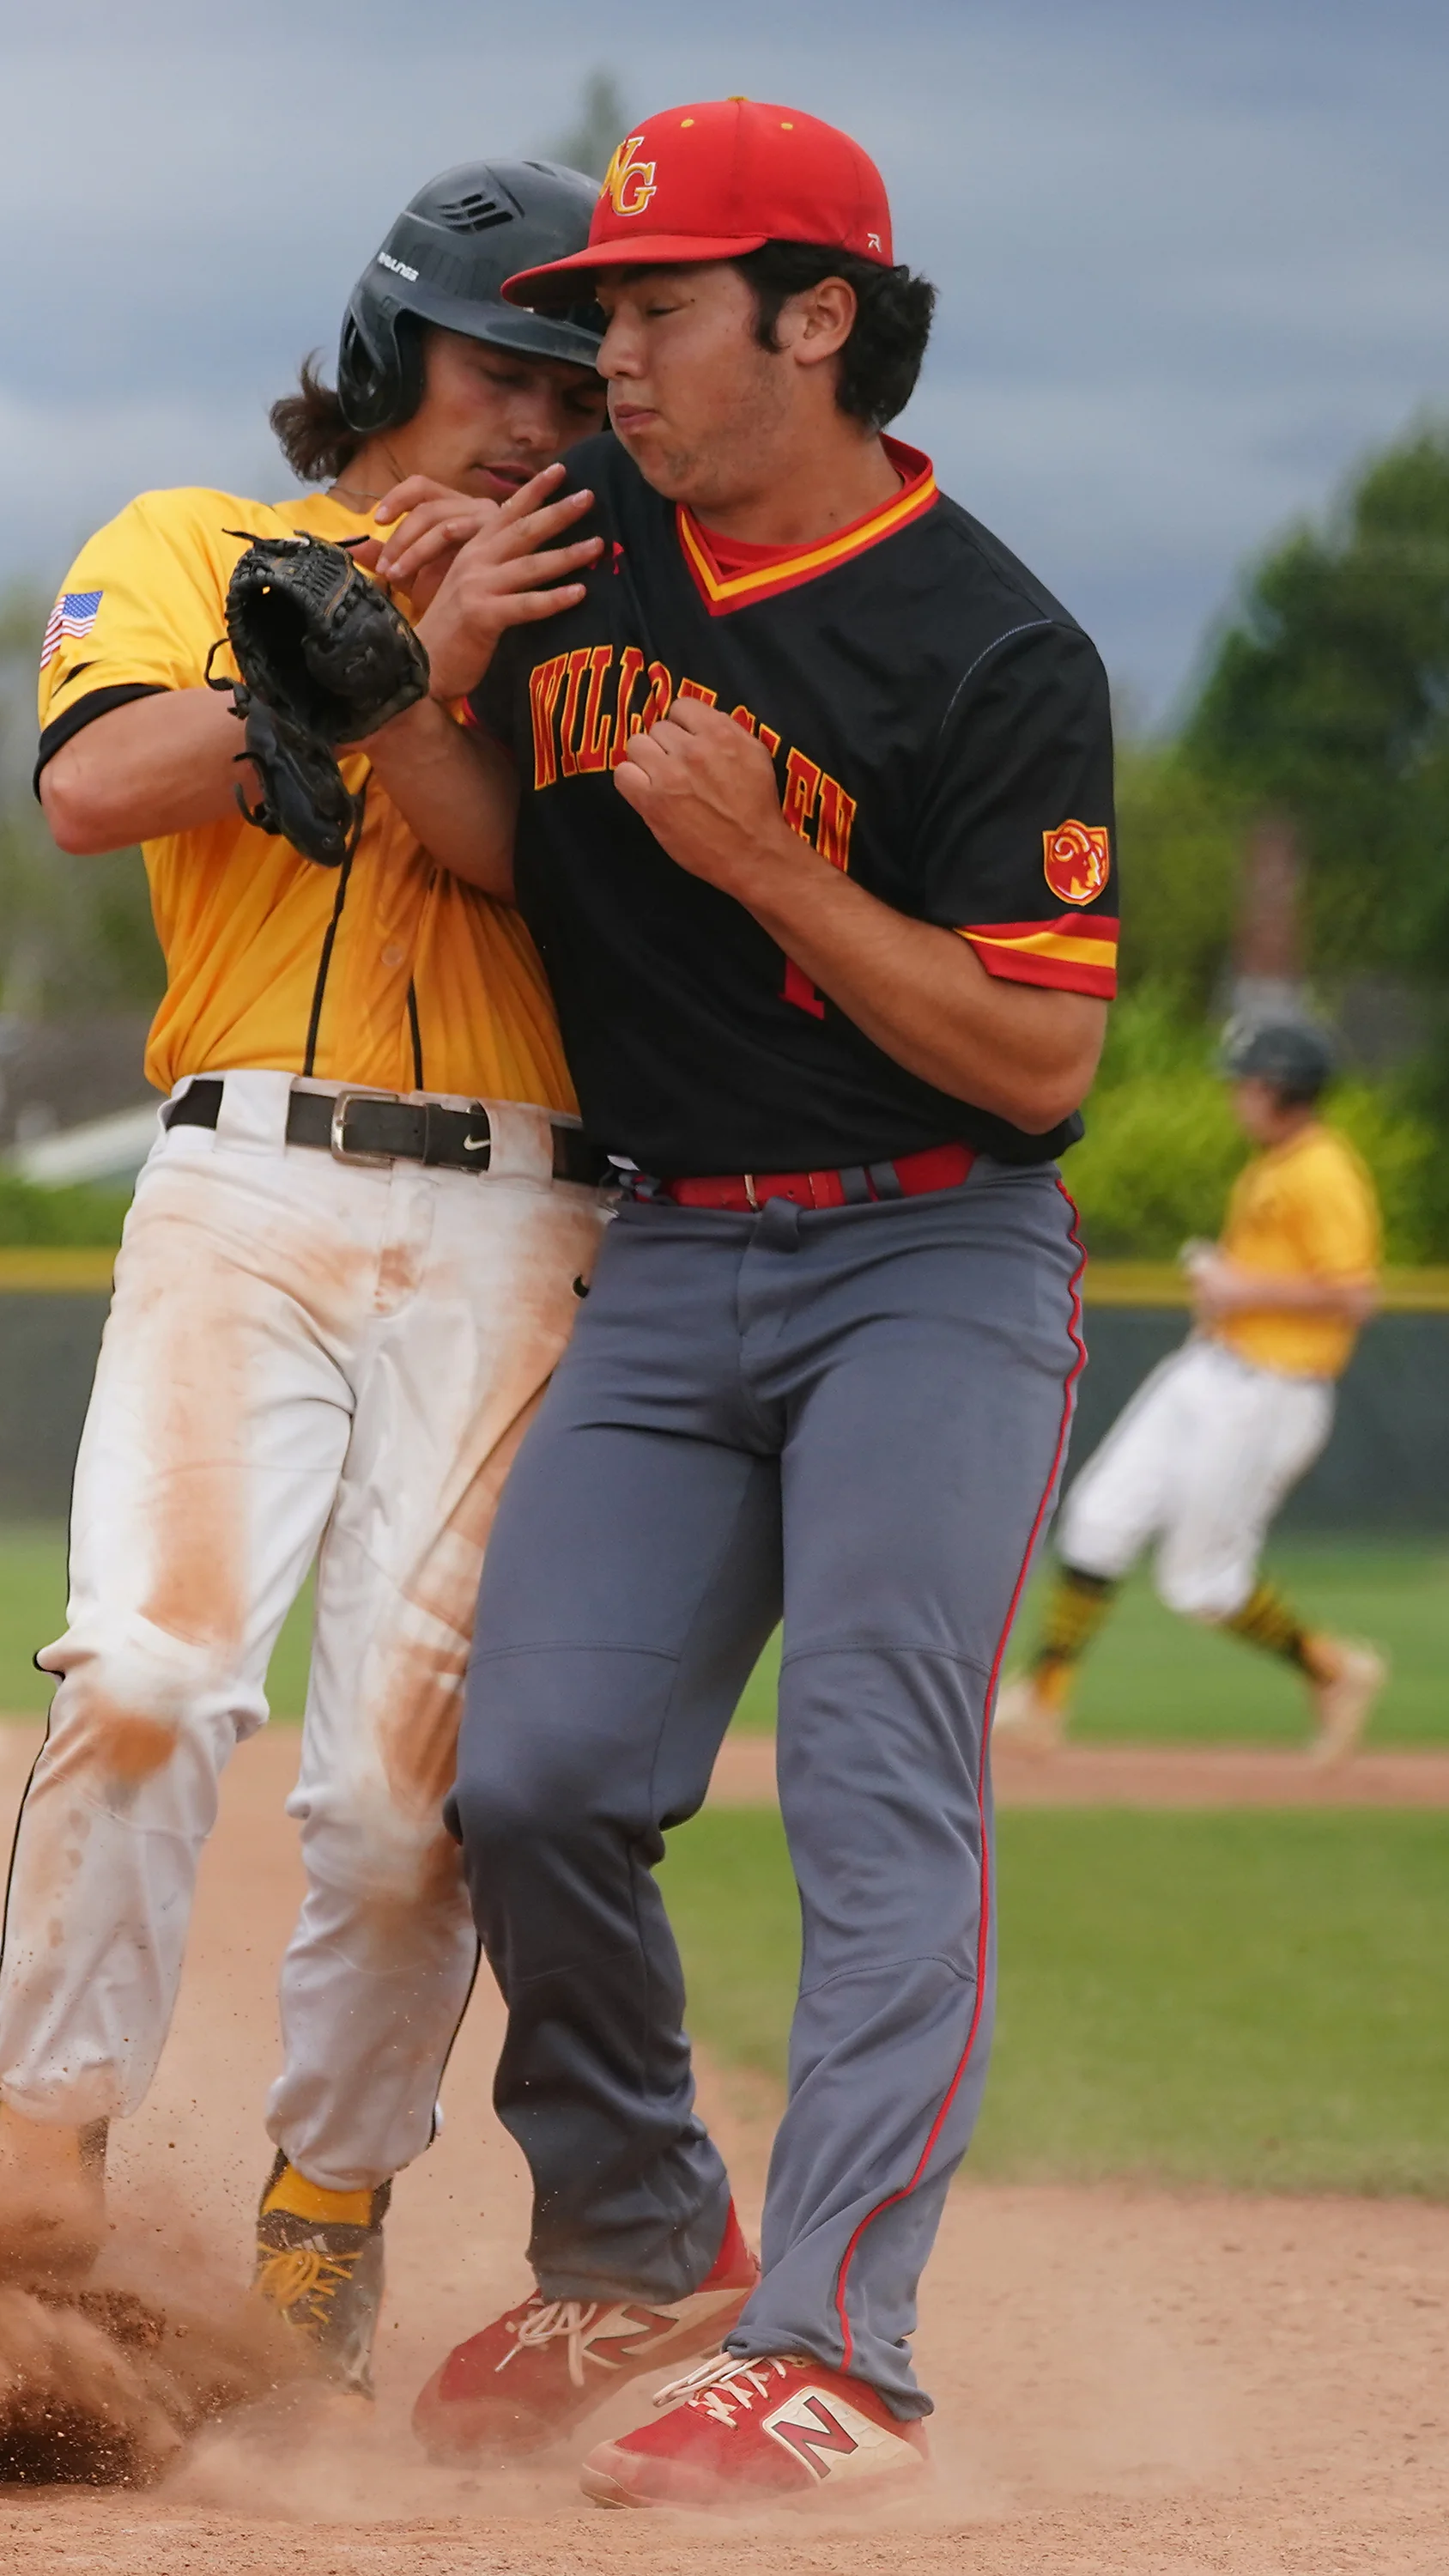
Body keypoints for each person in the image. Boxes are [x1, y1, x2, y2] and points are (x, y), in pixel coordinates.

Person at [361, 97, 1117, 2510]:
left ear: (816, 318)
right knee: (534, 1775)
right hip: (676, 1245)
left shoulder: (991, 643)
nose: (609, 358)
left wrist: (778, 871)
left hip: (928, 1252)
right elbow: (519, 851)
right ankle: (639, 2233)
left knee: (877, 1792)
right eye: (597, 314)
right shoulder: (586, 542)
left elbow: (1041, 1059)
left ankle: (838, 2355)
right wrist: (396, 685)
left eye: (656, 308)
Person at [0, 160, 612, 2399]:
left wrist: (442, 666)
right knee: (150, 1679)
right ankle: (36, 2180)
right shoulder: (194, 542)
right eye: (499, 363)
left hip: (529, 1212)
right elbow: (93, 788)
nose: (539, 417)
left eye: (580, 387)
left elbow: (555, 874)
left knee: (403, 1797)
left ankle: (326, 2213)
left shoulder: (603, 608)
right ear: (384, 348)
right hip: (245, 1174)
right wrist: (343, 647)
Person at [996, 1017, 1385, 1760]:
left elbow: (1354, 1294)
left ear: (1283, 1089)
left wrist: (1242, 1288)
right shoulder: (1273, 1165)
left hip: (1272, 1392)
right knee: (1097, 1518)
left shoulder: (1324, 1171)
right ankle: (1043, 1700)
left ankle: (1335, 1670)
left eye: (1249, 1082)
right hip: (1207, 1368)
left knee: (1201, 1582)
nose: (1238, 1094)